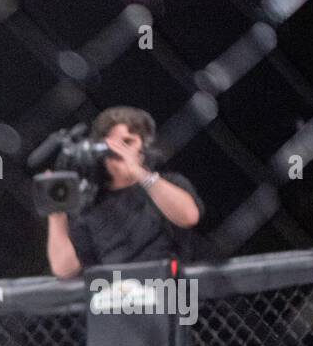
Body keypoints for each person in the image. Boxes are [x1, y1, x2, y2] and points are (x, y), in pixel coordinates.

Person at [46, 106, 203, 278]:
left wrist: (139, 172)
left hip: (170, 288)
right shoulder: (90, 204)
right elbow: (64, 270)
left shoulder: (169, 183)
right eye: (111, 145)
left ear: (143, 147)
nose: (119, 151)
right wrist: (56, 216)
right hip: (117, 295)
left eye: (127, 142)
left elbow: (189, 216)